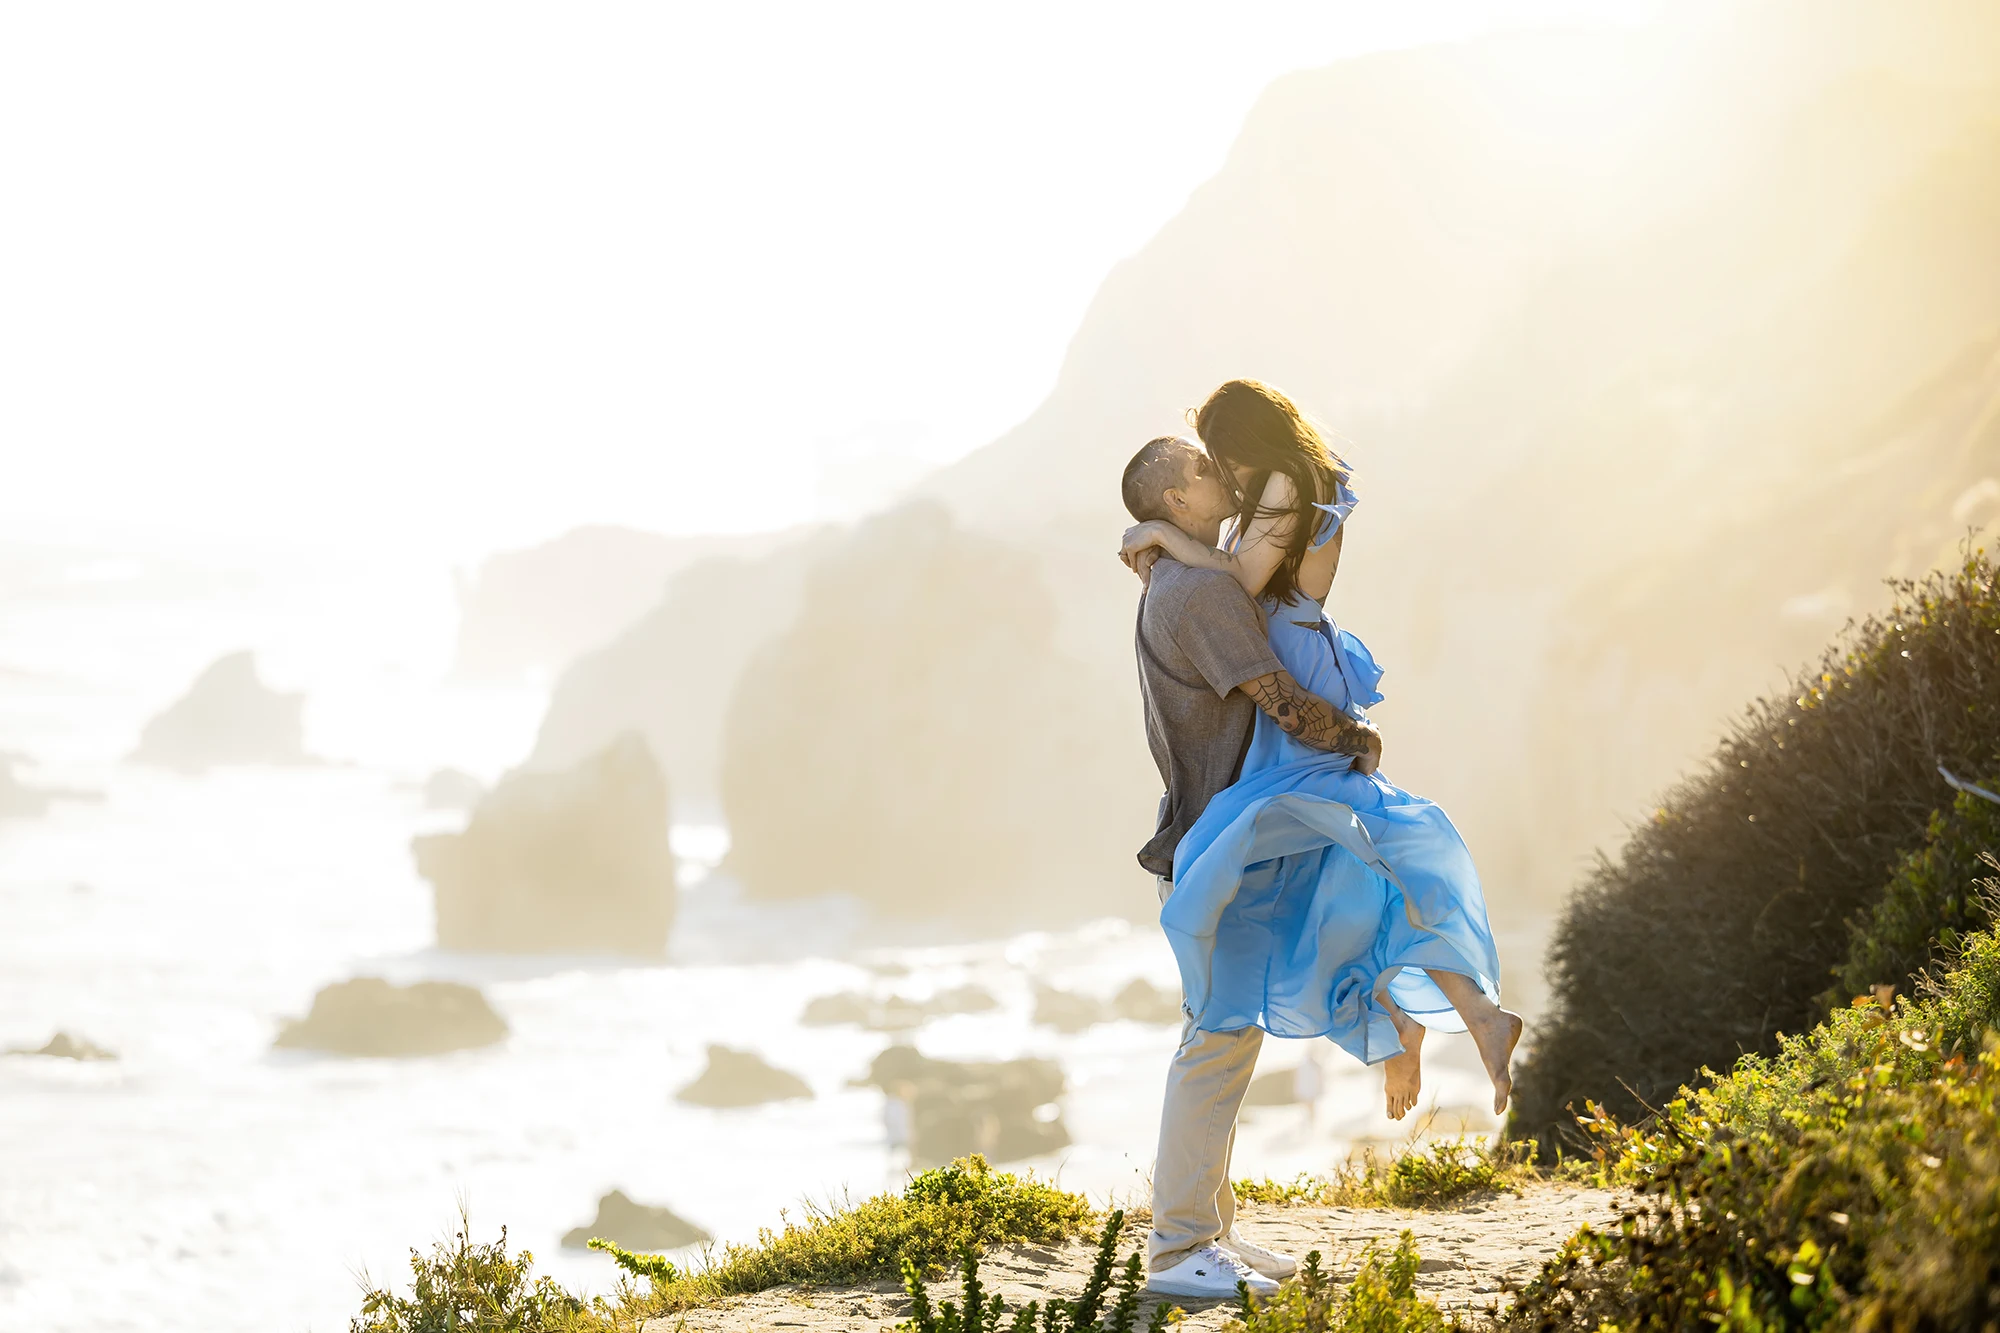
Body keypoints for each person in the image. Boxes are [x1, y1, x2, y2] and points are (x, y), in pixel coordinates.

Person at [1120, 380, 1521, 1121]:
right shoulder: (1288, 479)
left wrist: (1167, 541)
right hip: (1301, 658)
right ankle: (1433, 1016)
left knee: (1363, 836)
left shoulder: (1289, 479)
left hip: (1299, 670)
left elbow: (1239, 588)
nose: (1224, 472)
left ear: (1250, 439)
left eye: (1222, 455)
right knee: (1338, 856)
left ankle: (1426, 1015)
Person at [1123, 432, 1380, 1300]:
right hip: (1215, 845)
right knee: (1219, 1038)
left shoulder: (1181, 573)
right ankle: (1179, 1248)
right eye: (1198, 469)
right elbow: (1276, 694)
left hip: (1208, 839)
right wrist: (1357, 740)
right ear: (1172, 502)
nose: (1215, 472)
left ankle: (1212, 1231)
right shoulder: (1197, 591)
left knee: (1226, 1034)